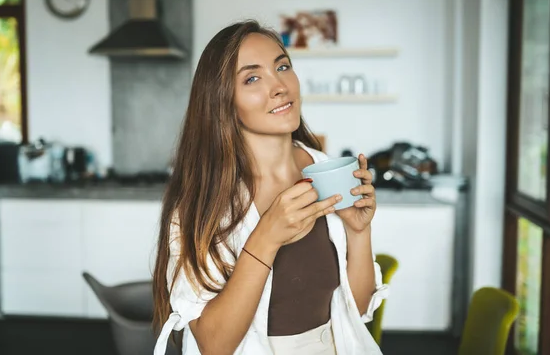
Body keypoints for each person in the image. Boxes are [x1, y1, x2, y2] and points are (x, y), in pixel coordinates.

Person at [152, 20, 389, 355]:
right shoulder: (202, 202)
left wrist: (359, 233)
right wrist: (265, 239)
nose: (279, 86)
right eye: (252, 78)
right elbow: (214, 345)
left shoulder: (326, 170)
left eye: (282, 66)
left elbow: (358, 311)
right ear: (222, 101)